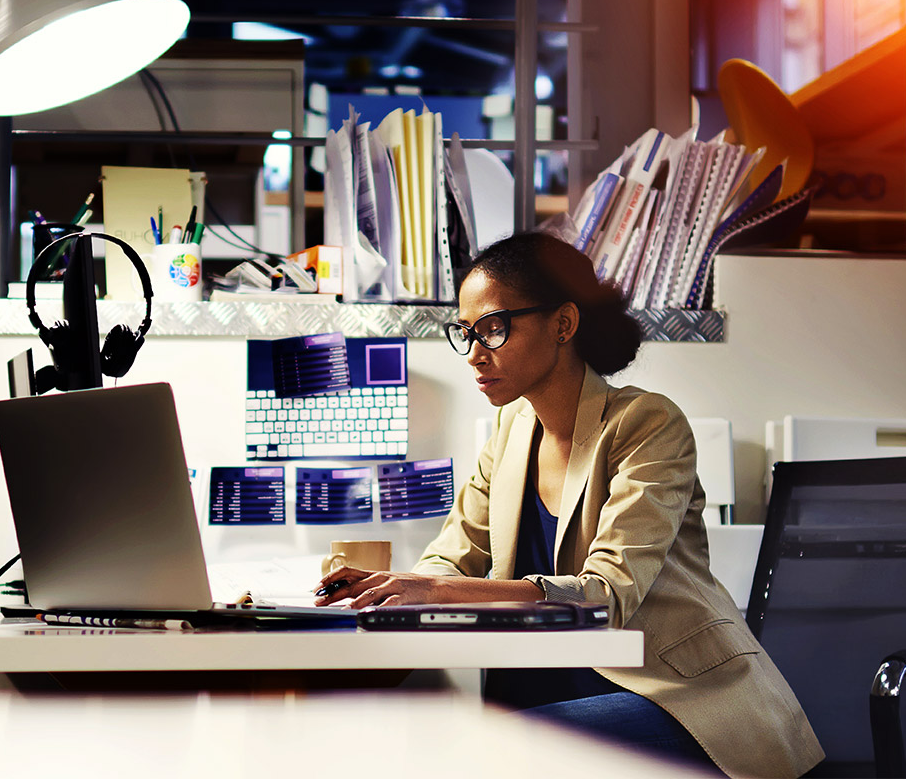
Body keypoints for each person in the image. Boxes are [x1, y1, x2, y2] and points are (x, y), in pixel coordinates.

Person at [314, 233, 823, 778]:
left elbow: (605, 597)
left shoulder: (647, 424)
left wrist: (434, 590)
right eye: (466, 333)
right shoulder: (510, 429)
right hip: (542, 690)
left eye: (492, 327)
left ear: (563, 324)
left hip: (676, 700)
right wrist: (391, 591)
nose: (476, 353)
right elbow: (453, 556)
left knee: (471, 751)